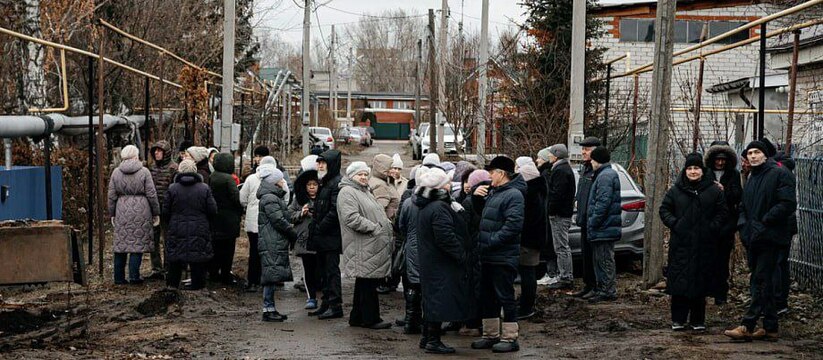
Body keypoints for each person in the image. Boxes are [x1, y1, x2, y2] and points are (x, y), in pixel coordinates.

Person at [724, 141, 796, 342]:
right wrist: (744, 226)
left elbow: (787, 204)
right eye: (750, 153)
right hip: (753, 237)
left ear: (765, 155)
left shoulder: (780, 174)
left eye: (757, 152)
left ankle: (748, 324)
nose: (753, 156)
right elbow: (744, 206)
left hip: (771, 237)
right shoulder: (752, 176)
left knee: (760, 280)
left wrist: (764, 222)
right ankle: (770, 327)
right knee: (762, 280)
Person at [660, 153, 728, 331]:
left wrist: (712, 228)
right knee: (679, 283)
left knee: (700, 282)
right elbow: (664, 210)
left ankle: (698, 320)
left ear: (702, 170)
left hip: (704, 245)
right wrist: (675, 224)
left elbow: (722, 212)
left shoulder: (713, 191)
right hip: (681, 245)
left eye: (696, 168)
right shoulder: (675, 190)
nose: (693, 171)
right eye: (689, 168)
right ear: (685, 170)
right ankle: (678, 319)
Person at [415, 167, 473, 354]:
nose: (450, 185)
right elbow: (445, 237)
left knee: (432, 299)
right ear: (440, 187)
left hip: (432, 262)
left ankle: (427, 337)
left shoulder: (426, 205)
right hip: (441, 263)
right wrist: (461, 255)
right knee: (439, 300)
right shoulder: (439, 208)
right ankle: (433, 340)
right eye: (447, 183)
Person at [471, 156, 525, 353]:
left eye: (491, 172)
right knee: (487, 296)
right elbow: (482, 215)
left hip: (502, 255)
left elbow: (513, 226)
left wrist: (491, 241)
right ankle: (490, 334)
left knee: (505, 296)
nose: (489, 176)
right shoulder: (494, 191)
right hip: (488, 255)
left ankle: (510, 338)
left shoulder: (514, 195)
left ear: (501, 174)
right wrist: (476, 197)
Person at [337, 161, 394, 330]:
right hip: (362, 245)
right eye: (359, 174)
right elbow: (351, 218)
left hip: (368, 244)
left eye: (365, 174)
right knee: (368, 283)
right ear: (351, 176)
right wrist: (374, 228)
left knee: (364, 282)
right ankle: (371, 318)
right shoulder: (347, 192)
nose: (363, 177)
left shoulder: (363, 190)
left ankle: (357, 317)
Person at [108, 145, 161, 285]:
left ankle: (118, 278)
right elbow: (151, 194)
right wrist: (156, 212)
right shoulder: (144, 172)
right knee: (137, 244)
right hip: (141, 210)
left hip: (122, 209)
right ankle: (134, 277)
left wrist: (112, 213)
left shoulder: (116, 172)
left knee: (121, 246)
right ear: (136, 156)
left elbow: (111, 196)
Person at [163, 159, 218, 290]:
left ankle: (172, 287)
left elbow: (165, 211)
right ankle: (198, 288)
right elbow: (212, 210)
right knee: (198, 257)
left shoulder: (173, 188)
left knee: (175, 258)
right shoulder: (204, 188)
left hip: (177, 227)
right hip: (199, 227)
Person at [240, 156, 287, 292]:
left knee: (254, 251)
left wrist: (248, 207)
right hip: (272, 222)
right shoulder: (279, 179)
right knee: (272, 251)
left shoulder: (251, 178)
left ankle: (252, 281)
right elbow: (286, 197)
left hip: (253, 222)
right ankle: (271, 280)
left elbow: (242, 198)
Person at [257, 166, 298, 322]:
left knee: (272, 274)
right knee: (271, 275)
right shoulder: (270, 198)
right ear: (274, 182)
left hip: (272, 240)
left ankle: (270, 308)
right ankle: (268, 309)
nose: (283, 181)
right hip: (272, 241)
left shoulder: (271, 197)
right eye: (280, 179)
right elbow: (278, 220)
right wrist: (292, 233)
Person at [704, 141, 743, 305]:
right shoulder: (705, 173)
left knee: (722, 261)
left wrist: (723, 190)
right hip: (708, 224)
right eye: (717, 159)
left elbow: (737, 195)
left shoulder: (733, 174)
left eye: (723, 159)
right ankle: (706, 291)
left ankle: (721, 294)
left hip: (726, 225)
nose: (720, 163)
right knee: (707, 259)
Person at [309, 149, 345, 319]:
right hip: (322, 237)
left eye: (322, 163)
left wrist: (320, 226)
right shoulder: (325, 182)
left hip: (330, 236)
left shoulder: (336, 183)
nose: (319, 166)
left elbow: (335, 210)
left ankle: (335, 305)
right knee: (323, 271)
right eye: (319, 163)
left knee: (331, 271)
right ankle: (326, 302)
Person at [586, 146, 621, 303]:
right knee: (600, 259)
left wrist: (593, 221)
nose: (591, 162)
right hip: (604, 226)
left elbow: (602, 203)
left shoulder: (605, 176)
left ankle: (607, 290)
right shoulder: (604, 174)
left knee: (605, 259)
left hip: (604, 227)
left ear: (598, 160)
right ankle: (603, 289)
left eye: (593, 159)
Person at [397, 166, 429, 335]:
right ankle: (425, 322)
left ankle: (410, 320)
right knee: (426, 286)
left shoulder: (409, 201)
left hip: (411, 248)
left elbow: (400, 225)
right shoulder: (434, 203)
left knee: (413, 284)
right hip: (426, 249)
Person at [459, 170, 491, 337]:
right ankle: (487, 323)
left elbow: (463, 229)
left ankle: (472, 324)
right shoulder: (493, 198)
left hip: (473, 251)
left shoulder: (469, 202)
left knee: (473, 289)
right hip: (489, 249)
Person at [514, 157, 546, 320]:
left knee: (527, 272)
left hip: (528, 238)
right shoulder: (537, 189)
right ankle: (526, 304)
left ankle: (526, 307)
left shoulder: (530, 194)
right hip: (534, 237)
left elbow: (528, 218)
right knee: (528, 271)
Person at [572, 137, 602, 298]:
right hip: (584, 219)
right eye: (583, 149)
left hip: (593, 221)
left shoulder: (599, 171)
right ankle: (588, 285)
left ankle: (596, 286)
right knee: (586, 256)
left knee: (595, 257)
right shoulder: (585, 169)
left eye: (587, 149)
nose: (583, 152)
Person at [290, 156, 321, 310]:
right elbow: (290, 214)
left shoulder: (323, 199)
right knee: (308, 270)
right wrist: (301, 214)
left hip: (320, 239)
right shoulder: (299, 199)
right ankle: (311, 297)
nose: (312, 187)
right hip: (304, 240)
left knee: (319, 269)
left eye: (314, 184)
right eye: (309, 185)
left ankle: (321, 292)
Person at [208, 152, 243, 284]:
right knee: (228, 250)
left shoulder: (212, 177)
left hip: (215, 218)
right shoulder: (228, 179)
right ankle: (225, 274)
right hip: (229, 219)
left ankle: (213, 273)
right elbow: (236, 198)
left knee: (215, 247)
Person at [545, 144, 576, 290]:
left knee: (561, 246)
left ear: (556, 155)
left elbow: (557, 194)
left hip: (559, 214)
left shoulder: (560, 170)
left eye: (551, 154)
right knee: (561, 245)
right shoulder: (564, 169)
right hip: (562, 213)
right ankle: (564, 275)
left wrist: (551, 210)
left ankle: (565, 276)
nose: (549, 156)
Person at [369, 154, 401, 294]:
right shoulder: (380, 185)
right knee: (385, 255)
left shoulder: (384, 181)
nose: (393, 170)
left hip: (388, 226)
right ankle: (382, 282)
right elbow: (380, 208)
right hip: (386, 227)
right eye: (390, 167)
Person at [148, 140, 178, 280]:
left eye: (160, 151)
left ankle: (168, 267)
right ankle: (156, 268)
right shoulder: (152, 168)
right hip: (154, 209)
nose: (157, 153)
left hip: (167, 210)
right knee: (153, 240)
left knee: (168, 239)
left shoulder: (173, 168)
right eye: (155, 151)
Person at [534, 148, 557, 286]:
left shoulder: (545, 174)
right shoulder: (545, 173)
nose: (537, 160)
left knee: (551, 245)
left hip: (548, 213)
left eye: (540, 158)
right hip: (547, 212)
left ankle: (552, 273)